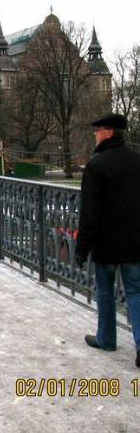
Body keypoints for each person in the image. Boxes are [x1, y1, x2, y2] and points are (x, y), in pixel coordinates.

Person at [75, 113, 140, 368]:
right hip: (135, 242)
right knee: (136, 291)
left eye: (99, 130)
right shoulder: (138, 162)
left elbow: (89, 213)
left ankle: (106, 338)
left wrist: (81, 249)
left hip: (106, 243)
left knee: (105, 290)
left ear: (109, 132)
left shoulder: (96, 166)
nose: (96, 134)